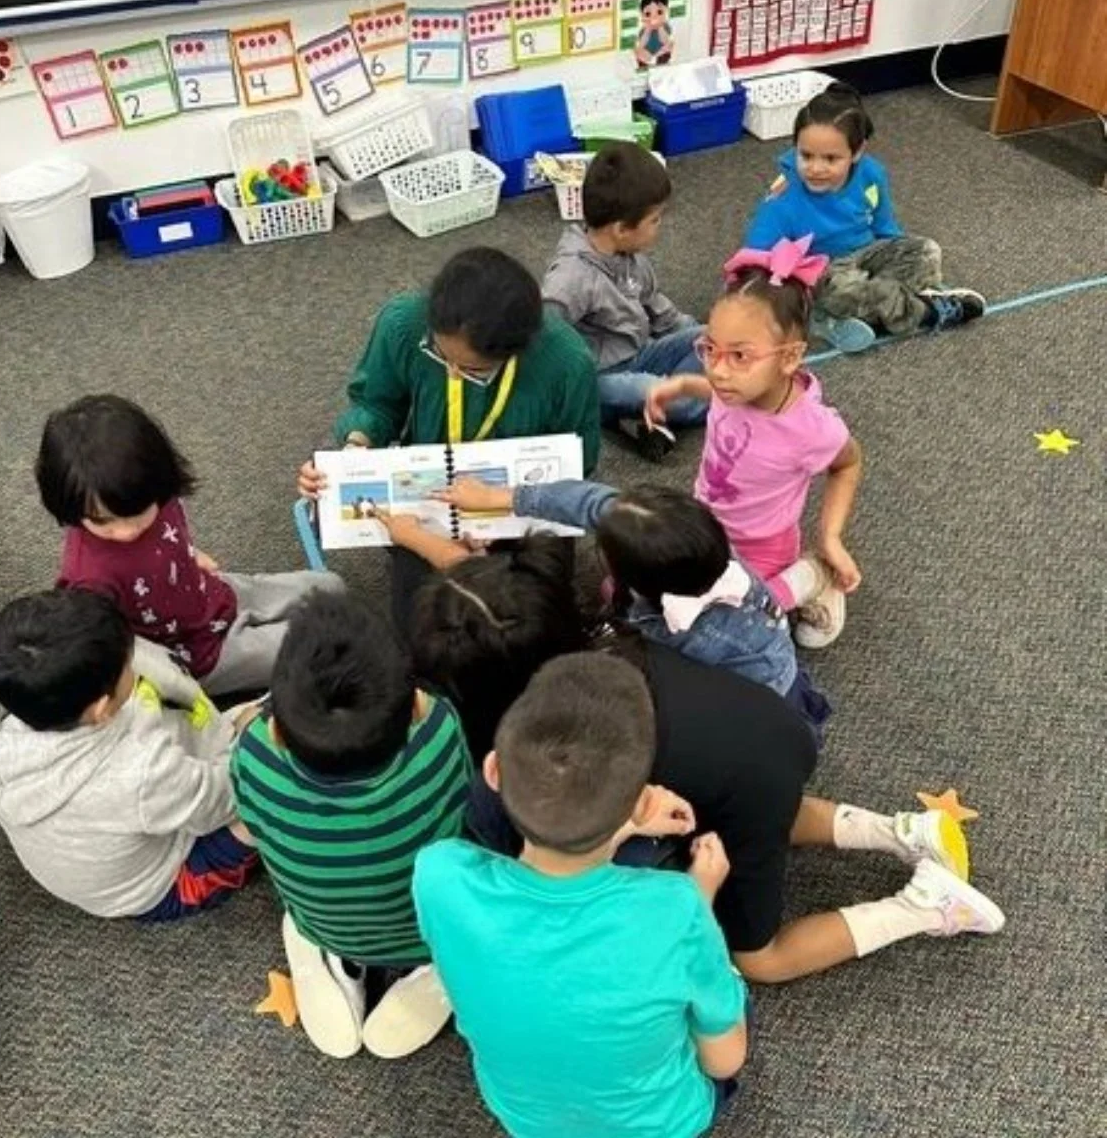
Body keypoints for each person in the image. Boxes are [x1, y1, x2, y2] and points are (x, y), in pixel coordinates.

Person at [408, 543, 1007, 985]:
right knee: (768, 807)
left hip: (743, 778)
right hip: (770, 737)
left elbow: (597, 820)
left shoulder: (563, 741)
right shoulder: (605, 639)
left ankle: (924, 905)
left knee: (760, 958)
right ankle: (902, 830)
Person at [413, 652, 748, 1138]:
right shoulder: (679, 907)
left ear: (493, 771)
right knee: (724, 992)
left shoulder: (438, 874)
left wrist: (621, 825)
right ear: (646, 799)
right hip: (663, 1125)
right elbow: (724, 1062)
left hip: (524, 1118)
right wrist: (702, 895)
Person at [296, 246, 600, 630]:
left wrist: (505, 510)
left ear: (515, 353)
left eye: (472, 369)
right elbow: (375, 403)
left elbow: (578, 461)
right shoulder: (404, 323)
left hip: (518, 502)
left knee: (531, 621)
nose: (453, 374)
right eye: (441, 357)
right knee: (423, 623)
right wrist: (355, 447)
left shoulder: (567, 363)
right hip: (428, 495)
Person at [230, 591, 471, 1061]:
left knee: (313, 899)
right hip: (427, 927)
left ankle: (339, 960)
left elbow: (254, 828)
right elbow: (465, 811)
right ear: (416, 709)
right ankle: (428, 970)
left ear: (277, 731)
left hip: (325, 922)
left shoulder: (254, 755)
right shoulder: (441, 727)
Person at [0, 589, 257, 921]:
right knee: (278, 787)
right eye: (127, 667)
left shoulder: (5, 728)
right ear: (102, 709)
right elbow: (223, 801)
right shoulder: (138, 774)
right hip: (159, 887)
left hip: (102, 846)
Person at [430, 476, 817, 721]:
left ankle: (810, 580)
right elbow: (589, 501)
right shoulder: (687, 549)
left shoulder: (688, 634)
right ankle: (806, 579)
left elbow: (644, 676)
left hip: (760, 697)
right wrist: (501, 496)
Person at [38, 394, 340, 695]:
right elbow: (97, 647)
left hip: (210, 592)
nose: (126, 531)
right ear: (69, 510)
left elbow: (165, 533)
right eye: (102, 521)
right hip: (198, 657)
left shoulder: (151, 488)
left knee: (333, 587)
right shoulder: (87, 578)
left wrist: (187, 553)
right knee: (330, 642)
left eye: (139, 513)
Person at [645, 237, 861, 648]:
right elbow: (717, 393)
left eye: (739, 356)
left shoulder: (812, 428)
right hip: (706, 525)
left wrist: (830, 536)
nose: (719, 371)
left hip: (763, 546)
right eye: (710, 349)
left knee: (737, 629)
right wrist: (681, 385)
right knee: (642, 587)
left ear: (790, 358)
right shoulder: (735, 388)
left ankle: (814, 576)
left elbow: (848, 464)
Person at [743, 81, 986, 353]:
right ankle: (925, 311)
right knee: (842, 291)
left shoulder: (871, 175)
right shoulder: (784, 197)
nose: (815, 168)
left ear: (856, 152)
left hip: (867, 256)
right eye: (806, 155)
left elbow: (886, 227)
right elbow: (754, 255)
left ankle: (865, 311)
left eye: (831, 159)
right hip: (824, 272)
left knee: (927, 251)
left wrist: (900, 259)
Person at [541, 142, 705, 461]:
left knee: (711, 339)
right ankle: (696, 403)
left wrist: (701, 337)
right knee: (659, 391)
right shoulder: (570, 279)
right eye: (655, 219)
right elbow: (543, 338)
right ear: (621, 228)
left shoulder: (632, 258)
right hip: (598, 378)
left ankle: (640, 417)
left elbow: (659, 309)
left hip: (640, 353)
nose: (660, 226)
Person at [634, 0, 675, 67]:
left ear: (666, 11)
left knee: (669, 45)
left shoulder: (665, 26)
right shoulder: (644, 30)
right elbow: (642, 44)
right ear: (642, 15)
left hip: (661, 52)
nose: (654, 17)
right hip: (648, 54)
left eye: (659, 12)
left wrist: (659, 26)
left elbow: (665, 40)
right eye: (648, 14)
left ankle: (660, 61)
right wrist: (648, 29)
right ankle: (645, 64)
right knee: (638, 51)